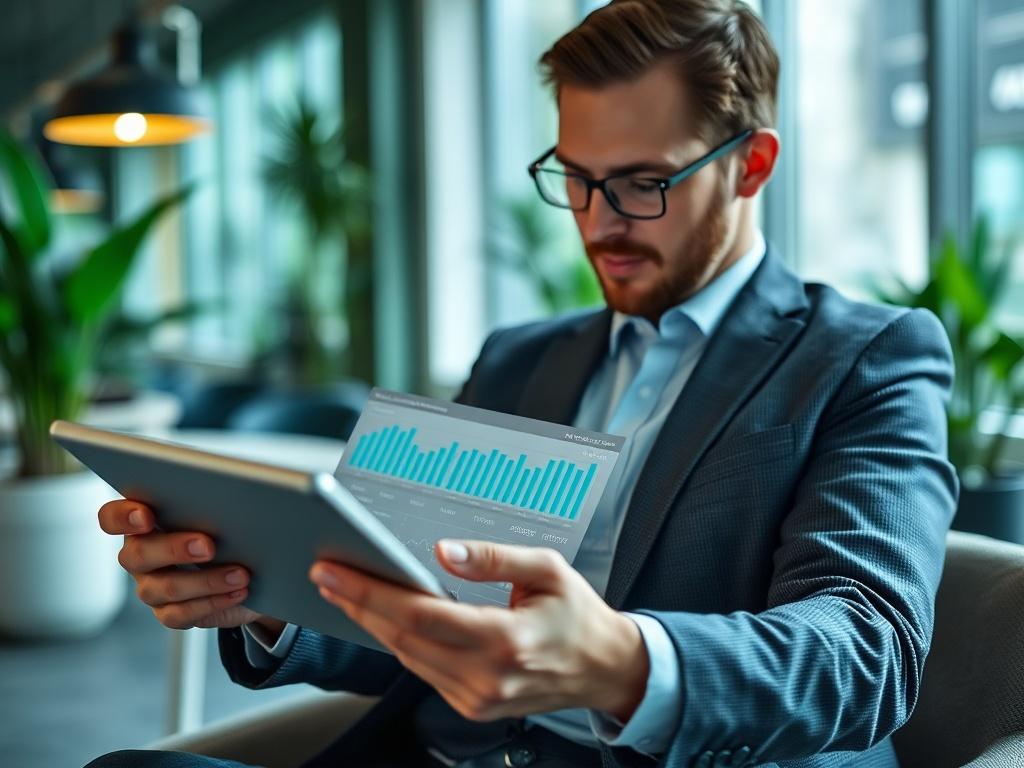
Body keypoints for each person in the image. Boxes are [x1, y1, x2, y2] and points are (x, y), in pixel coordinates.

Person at [86, 1, 957, 767]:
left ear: (752, 165)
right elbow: (413, 614)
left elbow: (864, 652)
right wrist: (256, 597)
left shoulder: (866, 356)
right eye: (575, 178)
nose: (599, 221)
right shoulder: (516, 358)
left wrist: (621, 660)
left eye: (645, 183)